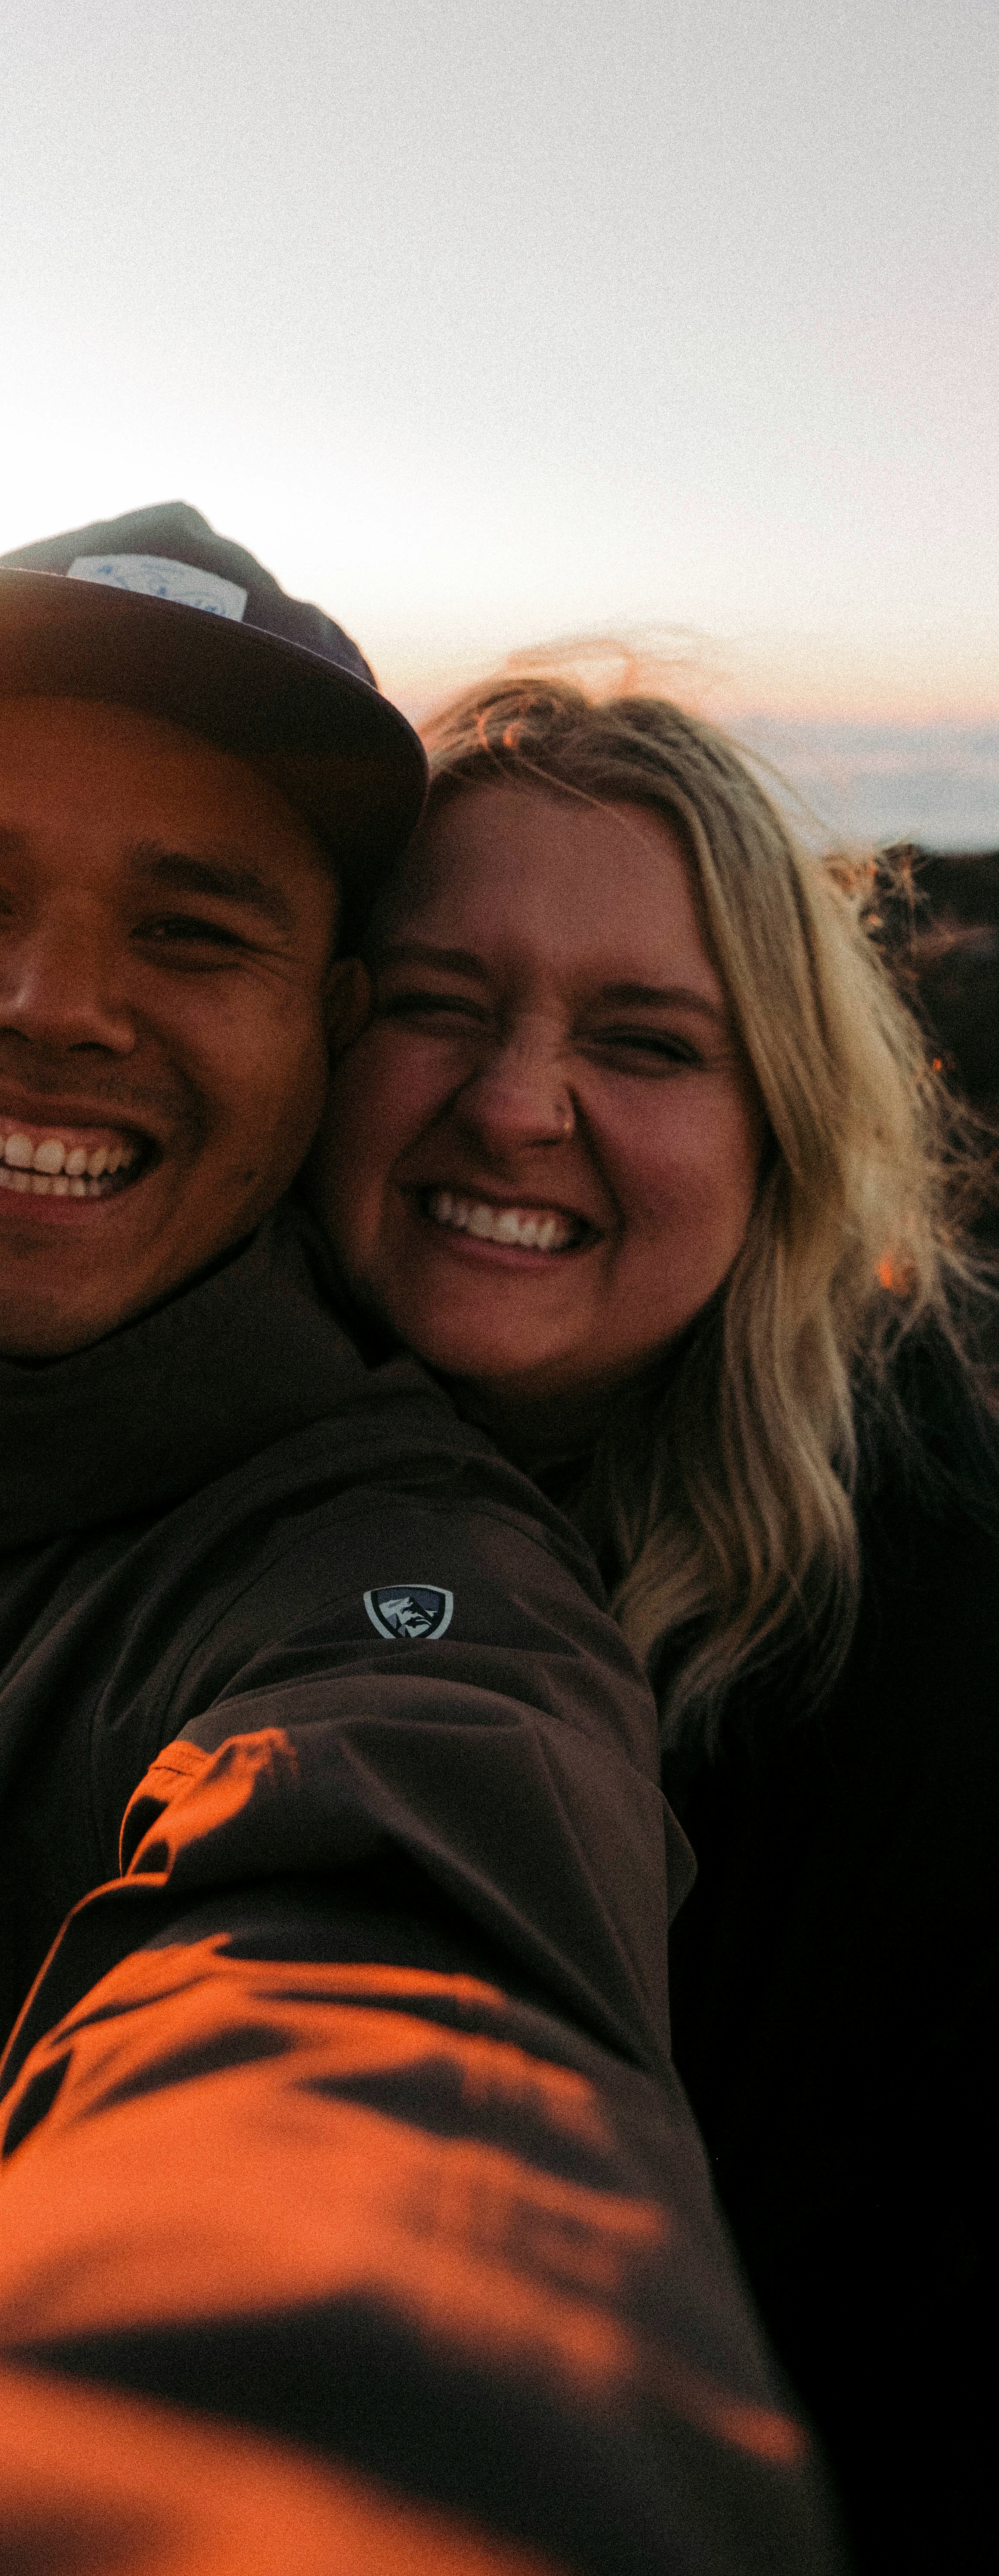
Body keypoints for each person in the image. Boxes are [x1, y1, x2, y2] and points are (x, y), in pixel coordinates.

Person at [0, 514, 844, 2574]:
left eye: (190, 931)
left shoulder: (400, 1594)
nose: (55, 1004)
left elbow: (380, 1987)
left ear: (319, 1024)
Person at [309, 668, 998, 2573]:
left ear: (778, 1127)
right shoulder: (172, 1508)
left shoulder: (933, 1663)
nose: (515, 1107)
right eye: (439, 1003)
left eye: (645, 1042)